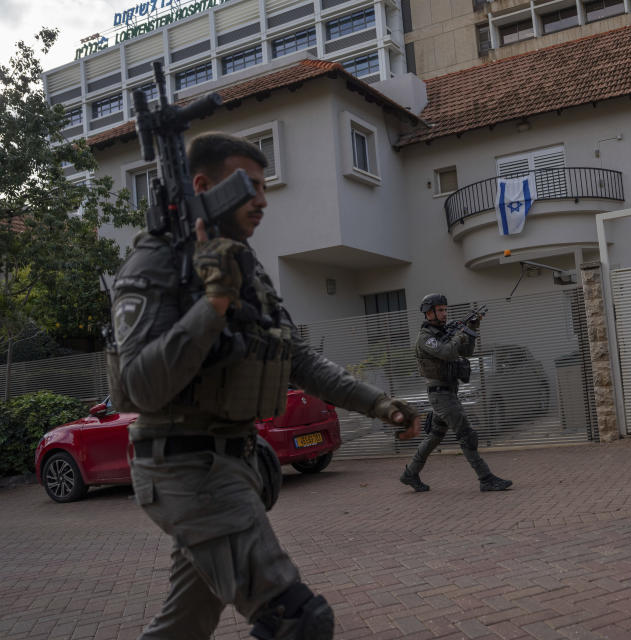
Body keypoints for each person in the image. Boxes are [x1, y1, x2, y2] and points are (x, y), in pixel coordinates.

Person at [108, 132, 419, 640]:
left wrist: (381, 405)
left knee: (183, 625)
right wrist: (214, 304)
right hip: (190, 471)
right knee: (297, 622)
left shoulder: (241, 266)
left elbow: (295, 357)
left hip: (235, 467)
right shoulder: (155, 267)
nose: (262, 199)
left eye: (264, 185)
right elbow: (141, 385)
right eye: (248, 186)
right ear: (205, 185)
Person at [399, 293, 513, 492]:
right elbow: (448, 352)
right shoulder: (425, 338)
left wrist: (471, 329)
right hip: (441, 394)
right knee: (467, 435)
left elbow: (466, 352)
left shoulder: (445, 331)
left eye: (445, 310)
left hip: (448, 391)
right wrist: (459, 334)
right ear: (429, 313)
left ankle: (410, 473)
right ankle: (486, 478)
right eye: (440, 310)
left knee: (435, 435)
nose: (444, 314)